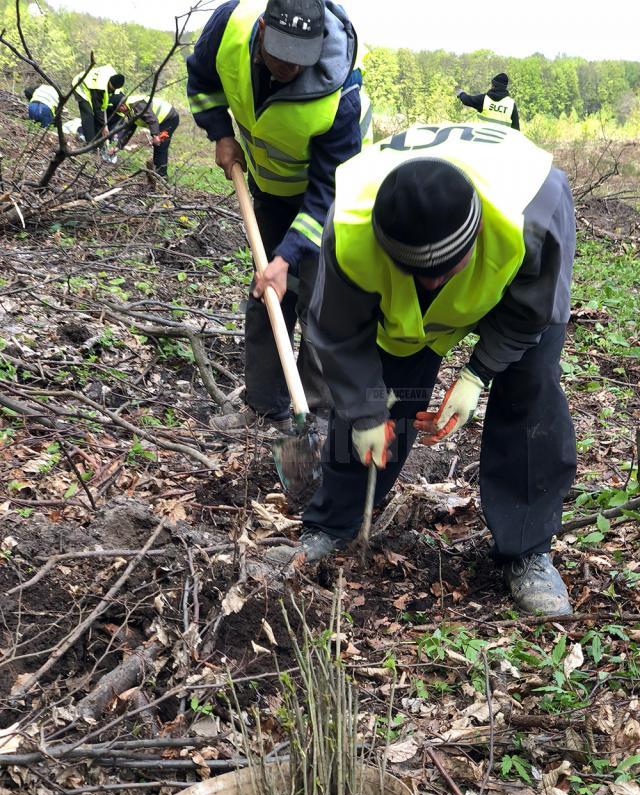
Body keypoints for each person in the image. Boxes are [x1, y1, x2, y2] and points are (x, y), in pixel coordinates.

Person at [277, 122, 577, 617]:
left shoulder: (533, 210)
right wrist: (368, 412)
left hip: (510, 283)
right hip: (404, 319)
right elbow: (339, 333)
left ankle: (527, 552)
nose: (434, 281)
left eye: (445, 268)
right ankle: (332, 524)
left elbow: (536, 310)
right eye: (419, 270)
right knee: (379, 400)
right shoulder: (350, 225)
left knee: (531, 389)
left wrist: (479, 372)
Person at [186, 0, 372, 430]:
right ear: (263, 28)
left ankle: (319, 415)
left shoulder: (339, 96)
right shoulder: (229, 28)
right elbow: (201, 78)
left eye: (300, 60)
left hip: (334, 199)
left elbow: (329, 191)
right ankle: (264, 407)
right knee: (266, 295)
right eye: (280, 55)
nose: (289, 67)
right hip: (269, 190)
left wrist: (287, 258)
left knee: (324, 307)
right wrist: (219, 132)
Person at [110, 93, 180, 178]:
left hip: (169, 118)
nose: (121, 113)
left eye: (119, 110)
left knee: (161, 145)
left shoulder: (136, 104)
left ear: (122, 106)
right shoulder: (130, 109)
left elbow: (151, 118)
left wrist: (155, 135)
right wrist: (118, 147)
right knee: (157, 145)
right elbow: (129, 129)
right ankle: (156, 171)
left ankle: (162, 175)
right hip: (160, 121)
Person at [71, 65, 124, 145]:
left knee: (98, 119)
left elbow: (104, 108)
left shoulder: (115, 80)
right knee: (88, 114)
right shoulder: (100, 86)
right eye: (110, 89)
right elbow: (97, 109)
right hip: (81, 85)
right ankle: (90, 144)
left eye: (112, 90)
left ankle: (98, 142)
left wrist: (104, 126)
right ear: (108, 82)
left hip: (92, 88)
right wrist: (104, 126)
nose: (110, 91)